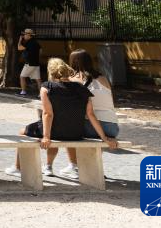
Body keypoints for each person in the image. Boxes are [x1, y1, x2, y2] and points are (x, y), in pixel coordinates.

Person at [4, 58, 117, 179]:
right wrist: (104, 137)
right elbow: (91, 114)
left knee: (22, 132)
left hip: (55, 132)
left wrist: (46, 137)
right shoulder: (82, 88)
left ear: (51, 72)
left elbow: (48, 114)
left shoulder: (47, 87)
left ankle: (17, 168)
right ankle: (62, 165)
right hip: (76, 133)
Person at [48, 49, 121, 179]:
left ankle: (74, 166)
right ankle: (91, 166)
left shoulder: (73, 80)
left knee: (68, 127)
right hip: (112, 127)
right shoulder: (103, 78)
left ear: (72, 62)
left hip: (93, 127)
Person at [17, 28, 41, 96]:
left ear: (28, 35)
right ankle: (41, 94)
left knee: (22, 77)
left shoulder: (29, 42)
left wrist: (20, 40)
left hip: (29, 63)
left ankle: (23, 91)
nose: (24, 36)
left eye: (25, 34)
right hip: (36, 63)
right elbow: (41, 51)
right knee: (38, 79)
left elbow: (19, 48)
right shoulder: (36, 42)